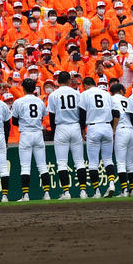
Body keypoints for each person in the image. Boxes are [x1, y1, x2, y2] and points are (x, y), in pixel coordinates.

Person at [46, 69, 86, 197]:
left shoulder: (53, 95)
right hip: (75, 126)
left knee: (62, 162)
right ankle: (83, 191)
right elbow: (82, 113)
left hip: (61, 127)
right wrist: (81, 128)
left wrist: (53, 131)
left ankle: (66, 192)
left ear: (57, 81)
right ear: (69, 80)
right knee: (79, 161)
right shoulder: (76, 93)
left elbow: (51, 116)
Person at [11, 77, 50, 201]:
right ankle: (47, 193)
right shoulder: (39, 101)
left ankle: (26, 195)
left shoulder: (19, 101)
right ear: (34, 88)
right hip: (38, 133)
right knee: (42, 165)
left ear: (23, 88)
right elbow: (44, 115)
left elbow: (14, 121)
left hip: (26, 134)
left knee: (25, 166)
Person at [79, 76, 116, 197]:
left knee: (93, 163)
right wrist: (112, 128)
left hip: (93, 127)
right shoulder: (105, 94)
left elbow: (82, 114)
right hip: (107, 126)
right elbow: (115, 112)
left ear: (85, 85)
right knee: (108, 159)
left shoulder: (85, 94)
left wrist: (82, 129)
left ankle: (97, 191)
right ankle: (111, 183)